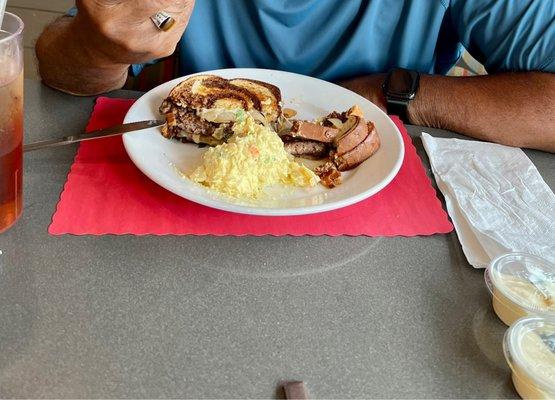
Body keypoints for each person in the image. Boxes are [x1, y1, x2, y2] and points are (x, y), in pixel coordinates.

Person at [36, 0, 555, 152]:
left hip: (391, 216)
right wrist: (98, 46)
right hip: (192, 188)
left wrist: (397, 92)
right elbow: (62, 72)